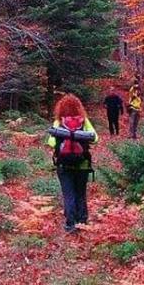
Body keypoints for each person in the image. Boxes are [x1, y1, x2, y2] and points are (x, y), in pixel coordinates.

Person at [46, 93, 98, 233]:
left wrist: (63, 140)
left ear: (60, 108)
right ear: (78, 107)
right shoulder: (84, 121)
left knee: (68, 194)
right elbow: (95, 138)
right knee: (81, 193)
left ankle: (70, 225)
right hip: (82, 165)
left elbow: (50, 142)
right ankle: (82, 222)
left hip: (64, 165)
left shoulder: (59, 122)